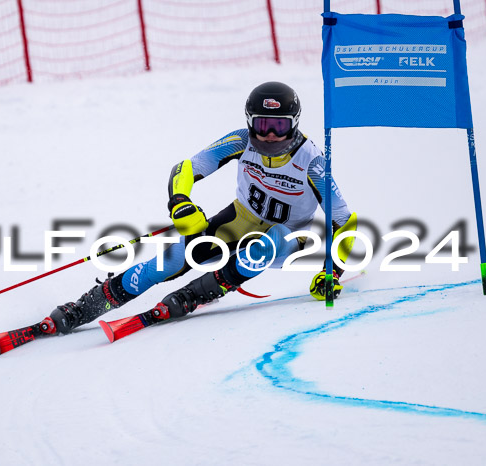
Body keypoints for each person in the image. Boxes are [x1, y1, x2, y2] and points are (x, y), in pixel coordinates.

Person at [35, 82, 357, 336]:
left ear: (294, 124)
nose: (269, 134)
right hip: (240, 220)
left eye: (278, 125)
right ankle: (84, 307)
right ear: (249, 121)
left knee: (271, 239)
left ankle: (194, 294)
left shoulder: (312, 161)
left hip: (287, 239)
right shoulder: (241, 140)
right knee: (171, 260)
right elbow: (186, 169)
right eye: (262, 124)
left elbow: (344, 221)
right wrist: (181, 203)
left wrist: (334, 271)